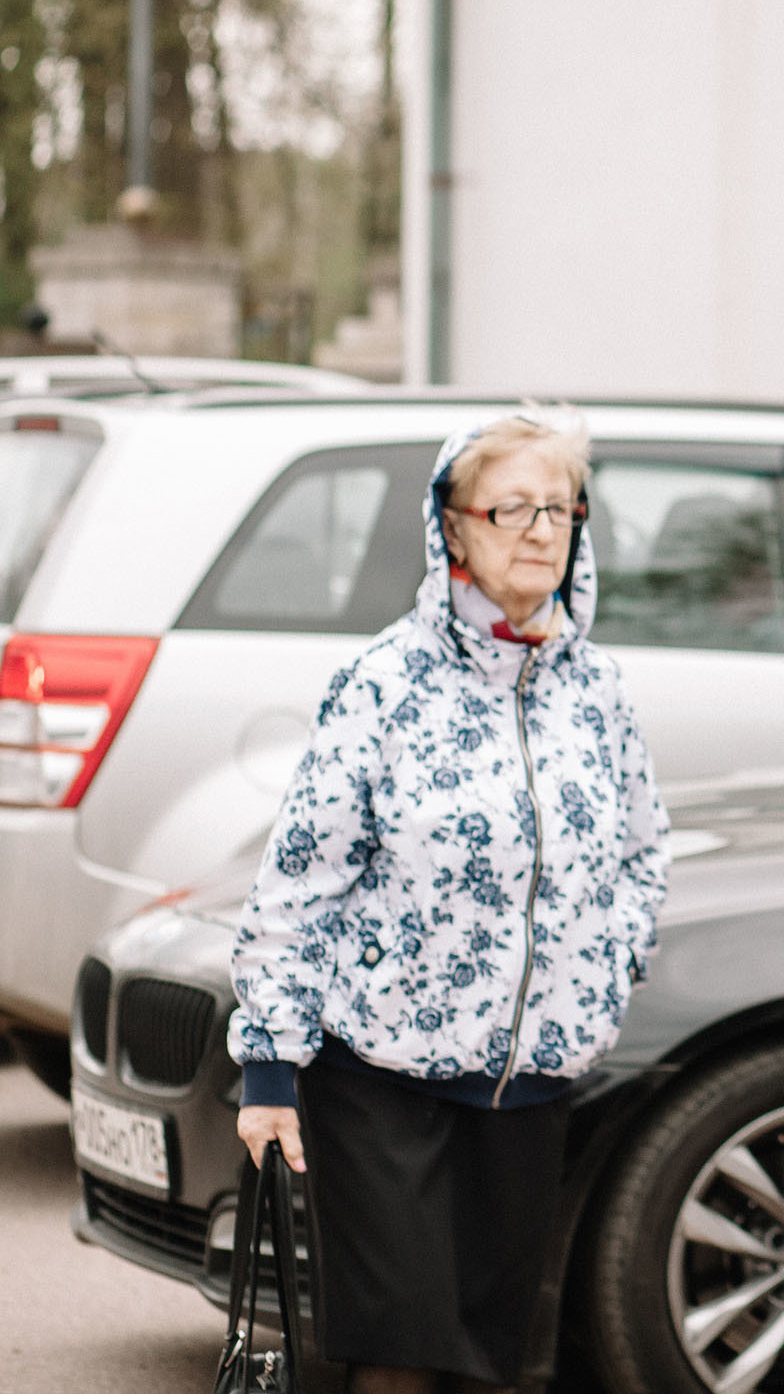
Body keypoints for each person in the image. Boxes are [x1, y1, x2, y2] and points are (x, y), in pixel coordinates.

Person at [227, 406, 671, 1394]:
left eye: (559, 508)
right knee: (400, 1360)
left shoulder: (596, 689)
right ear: (454, 530)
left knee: (489, 1366)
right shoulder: (384, 683)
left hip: (531, 1091)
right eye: (511, 507)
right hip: (381, 1083)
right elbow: (300, 877)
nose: (541, 530)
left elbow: (645, 851)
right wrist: (268, 1064)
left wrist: (607, 969)